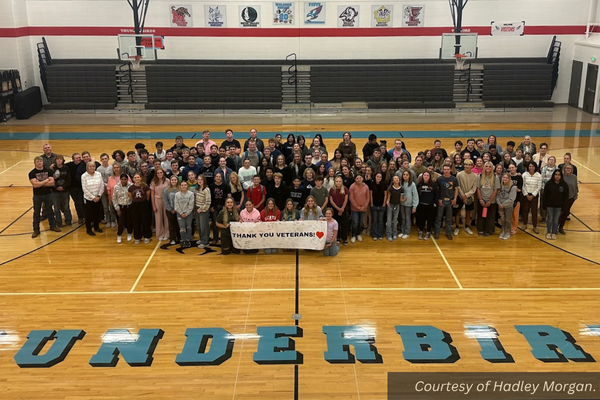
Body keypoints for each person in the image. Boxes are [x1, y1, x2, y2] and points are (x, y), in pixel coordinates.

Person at [29, 156, 61, 238]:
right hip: (37, 195)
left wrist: (40, 182)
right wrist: (46, 181)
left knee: (50, 210)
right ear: (35, 163)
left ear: (42, 162)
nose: (39, 163)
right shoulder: (32, 173)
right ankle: (36, 229)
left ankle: (53, 226)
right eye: (37, 161)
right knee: (36, 212)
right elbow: (35, 185)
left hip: (48, 194)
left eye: (40, 161)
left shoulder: (48, 171)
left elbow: (51, 183)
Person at [434, 165, 459, 241]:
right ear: (442, 170)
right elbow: (437, 190)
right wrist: (439, 199)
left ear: (450, 170)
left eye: (448, 169)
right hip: (442, 200)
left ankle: (448, 233)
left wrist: (455, 199)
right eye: (445, 169)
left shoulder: (454, 179)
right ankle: (437, 232)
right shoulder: (439, 179)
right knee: (438, 217)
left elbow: (456, 189)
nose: (446, 171)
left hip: (450, 201)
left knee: (449, 218)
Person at [544, 169, 569, 240]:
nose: (557, 176)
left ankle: (554, 233)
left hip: (559, 206)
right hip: (550, 205)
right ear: (553, 175)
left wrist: (564, 207)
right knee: (550, 219)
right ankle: (549, 232)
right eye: (556, 175)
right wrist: (545, 205)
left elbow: (566, 197)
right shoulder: (549, 184)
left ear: (561, 176)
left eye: (559, 175)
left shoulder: (564, 185)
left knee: (556, 220)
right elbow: (545, 195)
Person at [81, 161, 105, 236]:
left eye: (93, 166)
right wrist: (93, 197)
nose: (92, 168)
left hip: (98, 197)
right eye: (90, 166)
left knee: (97, 213)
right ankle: (89, 229)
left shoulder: (98, 174)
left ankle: (96, 227)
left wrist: (98, 196)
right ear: (87, 167)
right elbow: (84, 188)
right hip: (89, 199)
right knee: (88, 215)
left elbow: (102, 185)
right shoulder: (84, 176)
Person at [476, 162, 500, 237]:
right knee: (481, 215)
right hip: (482, 200)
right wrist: (480, 199)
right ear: (484, 167)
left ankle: (488, 230)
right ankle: (481, 229)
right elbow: (478, 188)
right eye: (486, 166)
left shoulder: (495, 177)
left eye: (490, 167)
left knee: (490, 216)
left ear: (492, 168)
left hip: (491, 201)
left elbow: (495, 190)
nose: (488, 168)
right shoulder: (479, 176)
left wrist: (490, 201)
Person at [128, 173, 152, 244]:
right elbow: (131, 196)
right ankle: (137, 237)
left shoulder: (145, 186)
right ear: (133, 179)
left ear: (140, 178)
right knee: (136, 221)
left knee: (145, 221)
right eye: (135, 177)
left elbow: (148, 195)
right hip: (135, 205)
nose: (137, 179)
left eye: (138, 177)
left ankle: (147, 236)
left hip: (144, 204)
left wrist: (144, 202)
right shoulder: (131, 188)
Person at [456, 159, 477, 235]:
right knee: (458, 212)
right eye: (466, 164)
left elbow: (474, 188)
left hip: (470, 197)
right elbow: (458, 186)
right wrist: (462, 196)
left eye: (469, 165)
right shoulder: (459, 174)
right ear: (463, 165)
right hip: (460, 196)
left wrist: (466, 195)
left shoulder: (475, 176)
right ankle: (457, 227)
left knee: (468, 212)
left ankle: (467, 226)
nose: (467, 166)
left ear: (472, 166)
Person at [520, 162, 542, 234]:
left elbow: (539, 186)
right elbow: (522, 185)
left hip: (534, 196)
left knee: (534, 211)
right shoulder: (524, 175)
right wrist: (526, 195)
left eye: (532, 166)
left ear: (535, 167)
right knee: (525, 210)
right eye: (530, 166)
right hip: (526, 195)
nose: (531, 168)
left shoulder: (538, 175)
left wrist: (533, 195)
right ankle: (524, 224)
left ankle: (535, 226)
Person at [51, 154, 72, 227]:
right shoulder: (52, 169)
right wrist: (56, 187)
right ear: (55, 160)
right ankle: (58, 222)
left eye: (60, 159)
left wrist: (63, 187)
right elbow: (51, 179)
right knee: (56, 208)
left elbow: (69, 180)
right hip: (55, 191)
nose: (59, 160)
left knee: (66, 207)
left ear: (63, 160)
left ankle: (68, 220)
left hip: (65, 191)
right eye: (58, 159)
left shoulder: (66, 168)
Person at [210, 172, 230, 245]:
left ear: (221, 178)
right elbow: (210, 197)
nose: (218, 178)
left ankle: (223, 238)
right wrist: (211, 206)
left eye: (219, 177)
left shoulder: (225, 186)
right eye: (217, 176)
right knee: (215, 223)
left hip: (223, 207)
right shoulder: (211, 186)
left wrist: (226, 206)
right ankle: (215, 238)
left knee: (223, 222)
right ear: (215, 178)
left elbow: (228, 197)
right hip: (214, 207)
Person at [558, 164, 578, 235]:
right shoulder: (561, 176)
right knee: (560, 213)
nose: (568, 169)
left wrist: (575, 196)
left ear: (571, 169)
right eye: (566, 168)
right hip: (562, 198)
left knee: (565, 213)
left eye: (569, 168)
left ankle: (561, 227)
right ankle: (555, 227)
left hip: (570, 198)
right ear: (564, 169)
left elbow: (576, 187)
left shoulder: (574, 177)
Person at [113, 173, 133, 243]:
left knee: (129, 221)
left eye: (125, 179)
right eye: (122, 179)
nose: (124, 181)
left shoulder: (131, 186)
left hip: (129, 206)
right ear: (120, 179)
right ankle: (119, 235)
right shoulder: (116, 187)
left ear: (127, 179)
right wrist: (117, 208)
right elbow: (114, 198)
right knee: (121, 222)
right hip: (121, 206)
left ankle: (129, 233)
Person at [150, 168, 169, 241]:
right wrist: (153, 205)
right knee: (158, 218)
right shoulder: (153, 182)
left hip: (166, 200)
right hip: (157, 200)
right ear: (156, 174)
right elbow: (152, 194)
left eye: (161, 172)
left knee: (166, 217)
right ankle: (160, 234)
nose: (160, 174)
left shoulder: (167, 181)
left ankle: (167, 233)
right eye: (158, 173)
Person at [174, 181, 195, 248]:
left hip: (188, 213)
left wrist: (186, 213)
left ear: (187, 186)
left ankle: (188, 240)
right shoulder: (177, 194)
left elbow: (191, 205)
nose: (183, 186)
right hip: (180, 214)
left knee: (188, 226)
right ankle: (183, 240)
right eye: (182, 185)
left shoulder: (191, 194)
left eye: (185, 185)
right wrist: (181, 213)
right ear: (180, 186)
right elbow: (176, 205)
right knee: (182, 227)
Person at [349, 174, 369, 243]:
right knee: (355, 223)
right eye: (357, 178)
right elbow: (351, 198)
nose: (359, 179)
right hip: (355, 209)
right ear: (355, 179)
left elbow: (368, 198)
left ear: (362, 179)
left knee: (360, 223)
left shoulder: (366, 187)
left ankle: (358, 234)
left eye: (360, 178)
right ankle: (353, 235)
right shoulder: (352, 186)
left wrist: (364, 206)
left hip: (363, 209)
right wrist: (357, 207)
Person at [496, 173, 517, 240]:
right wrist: (499, 203)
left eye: (506, 178)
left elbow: (512, 199)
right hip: (500, 205)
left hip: (508, 206)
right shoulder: (500, 186)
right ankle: (503, 231)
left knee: (508, 219)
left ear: (509, 179)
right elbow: (497, 196)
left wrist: (503, 204)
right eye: (503, 177)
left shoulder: (512, 187)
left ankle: (507, 232)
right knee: (502, 219)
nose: (504, 179)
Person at [329, 176, 349, 245]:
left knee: (344, 224)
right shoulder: (332, 189)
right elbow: (331, 201)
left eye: (339, 181)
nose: (338, 183)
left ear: (341, 182)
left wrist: (342, 208)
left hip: (343, 208)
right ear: (334, 182)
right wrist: (338, 209)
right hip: (335, 209)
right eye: (337, 181)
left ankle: (344, 238)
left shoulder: (345, 189)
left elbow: (346, 199)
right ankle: (337, 237)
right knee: (336, 224)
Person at [416, 171, 436, 240]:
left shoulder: (433, 185)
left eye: (427, 175)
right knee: (421, 219)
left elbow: (436, 194)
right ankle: (421, 231)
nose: (426, 176)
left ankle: (428, 232)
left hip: (430, 205)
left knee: (430, 219)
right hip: (421, 205)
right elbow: (417, 195)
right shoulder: (419, 184)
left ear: (430, 177)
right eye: (425, 175)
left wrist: (434, 203)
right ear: (422, 176)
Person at [399, 170, 418, 239]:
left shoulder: (412, 184)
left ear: (409, 176)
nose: (405, 176)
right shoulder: (401, 183)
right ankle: (402, 231)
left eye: (407, 175)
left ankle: (407, 232)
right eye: (404, 174)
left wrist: (414, 206)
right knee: (403, 218)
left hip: (409, 204)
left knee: (407, 218)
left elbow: (415, 195)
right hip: (402, 204)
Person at [163, 175, 181, 245]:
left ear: (177, 181)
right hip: (170, 210)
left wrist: (177, 209)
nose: (174, 181)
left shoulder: (180, 189)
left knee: (179, 224)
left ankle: (179, 238)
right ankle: (172, 239)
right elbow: (165, 201)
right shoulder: (166, 190)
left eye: (175, 180)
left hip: (179, 210)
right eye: (172, 180)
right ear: (170, 181)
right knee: (171, 225)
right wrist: (171, 209)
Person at [369, 172, 387, 241]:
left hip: (382, 205)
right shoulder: (372, 184)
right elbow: (370, 195)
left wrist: (384, 204)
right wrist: (371, 204)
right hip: (374, 205)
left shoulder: (384, 184)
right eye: (377, 177)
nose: (378, 178)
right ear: (375, 177)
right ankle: (374, 234)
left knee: (380, 220)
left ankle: (380, 234)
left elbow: (385, 195)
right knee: (374, 220)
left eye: (380, 177)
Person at [386, 175, 404, 241]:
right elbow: (388, 197)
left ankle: (394, 234)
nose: (396, 179)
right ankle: (389, 234)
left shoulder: (401, 189)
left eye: (397, 178)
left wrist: (403, 200)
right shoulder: (390, 188)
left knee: (395, 220)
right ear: (393, 180)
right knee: (389, 220)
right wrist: (387, 202)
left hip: (397, 205)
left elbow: (400, 199)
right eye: (395, 178)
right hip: (391, 205)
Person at [508, 163, 523, 235]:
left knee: (515, 214)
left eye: (513, 167)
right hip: (508, 198)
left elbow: (519, 189)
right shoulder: (507, 176)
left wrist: (513, 189)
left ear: (516, 168)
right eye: (510, 168)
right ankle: (509, 227)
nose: (511, 169)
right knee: (509, 214)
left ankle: (514, 228)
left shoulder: (519, 177)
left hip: (517, 198)